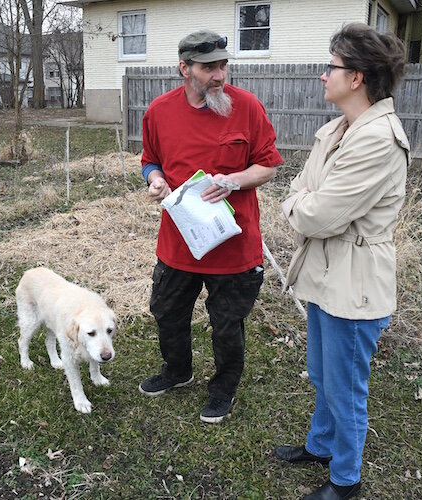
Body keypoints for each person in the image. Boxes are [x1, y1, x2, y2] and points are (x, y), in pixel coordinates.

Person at [274, 23, 410, 499]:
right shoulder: (337, 129)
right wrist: (304, 203)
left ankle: (345, 481)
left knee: (346, 387)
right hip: (325, 275)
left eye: (330, 66)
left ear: (356, 78)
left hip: (355, 284)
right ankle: (321, 445)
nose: (322, 75)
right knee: (322, 375)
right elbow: (304, 191)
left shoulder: (377, 139)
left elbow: (317, 213)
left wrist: (301, 205)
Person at [138, 29, 283, 424]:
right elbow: (150, 159)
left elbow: (268, 164)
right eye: (208, 68)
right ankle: (177, 371)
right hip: (179, 242)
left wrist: (234, 180)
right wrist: (154, 179)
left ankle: (222, 390)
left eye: (223, 66)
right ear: (184, 68)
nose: (219, 75)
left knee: (226, 324)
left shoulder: (247, 107)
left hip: (233, 247)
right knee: (167, 312)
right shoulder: (160, 111)